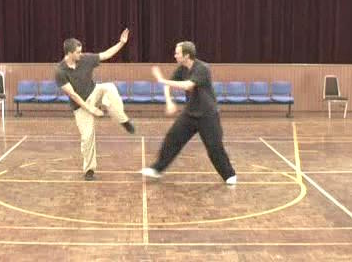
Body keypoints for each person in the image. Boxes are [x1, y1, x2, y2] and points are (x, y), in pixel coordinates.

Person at [141, 41, 237, 185]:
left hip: (208, 115)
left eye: (177, 53)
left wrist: (162, 80)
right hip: (190, 114)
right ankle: (157, 169)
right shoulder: (182, 69)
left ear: (186, 55)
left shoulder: (202, 68)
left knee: (214, 146)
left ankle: (229, 175)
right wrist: (169, 101)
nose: (175, 55)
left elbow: (188, 85)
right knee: (172, 138)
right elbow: (169, 85)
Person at [55, 28, 135, 181]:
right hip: (80, 105)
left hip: (94, 91)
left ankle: (123, 120)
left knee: (109, 87)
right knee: (87, 137)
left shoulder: (85, 59)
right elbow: (73, 95)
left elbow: (106, 54)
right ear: (69, 53)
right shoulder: (60, 71)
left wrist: (121, 43)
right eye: (78, 52)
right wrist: (91, 109)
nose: (81, 54)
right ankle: (89, 170)